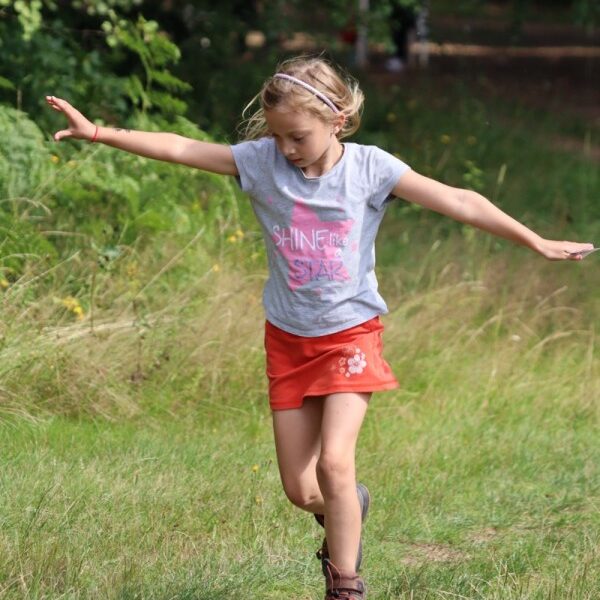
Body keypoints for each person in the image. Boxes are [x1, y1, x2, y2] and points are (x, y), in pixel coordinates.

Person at [45, 55, 593, 600]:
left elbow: (459, 200)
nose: (287, 148)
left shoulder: (371, 168)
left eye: (298, 137)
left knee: (334, 462)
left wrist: (535, 241)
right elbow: (181, 148)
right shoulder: (261, 163)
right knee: (302, 489)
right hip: (287, 340)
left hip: (351, 335)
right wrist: (98, 133)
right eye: (278, 136)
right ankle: (351, 504)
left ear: (338, 120)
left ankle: (345, 585)